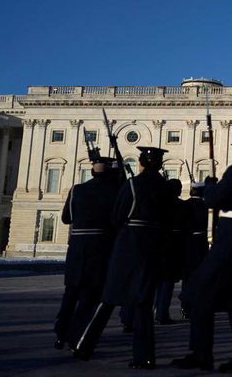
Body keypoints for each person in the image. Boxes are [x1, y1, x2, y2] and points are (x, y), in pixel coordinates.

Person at [172, 127, 232, 374]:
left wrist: (209, 185)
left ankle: (201, 353)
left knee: (195, 291)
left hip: (230, 239)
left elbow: (213, 201)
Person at [72, 146, 171, 369]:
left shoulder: (133, 184)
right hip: (154, 246)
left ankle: (84, 345)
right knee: (144, 304)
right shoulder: (165, 188)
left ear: (142, 163)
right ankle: (144, 357)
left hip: (129, 246)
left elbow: (118, 215)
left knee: (108, 298)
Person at [53, 153, 120, 349]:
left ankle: (60, 333)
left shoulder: (78, 190)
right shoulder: (114, 191)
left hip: (77, 248)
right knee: (89, 296)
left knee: (70, 293)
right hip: (100, 248)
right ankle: (77, 337)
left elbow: (67, 218)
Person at [155, 178, 188, 325]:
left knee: (158, 282)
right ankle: (162, 313)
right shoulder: (182, 205)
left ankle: (156, 309)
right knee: (167, 283)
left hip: (158, 244)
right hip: (174, 246)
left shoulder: (159, 205)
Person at [180, 180, 209, 319]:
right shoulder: (206, 205)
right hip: (201, 243)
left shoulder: (185, 205)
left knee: (187, 277)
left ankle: (185, 306)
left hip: (187, 243)